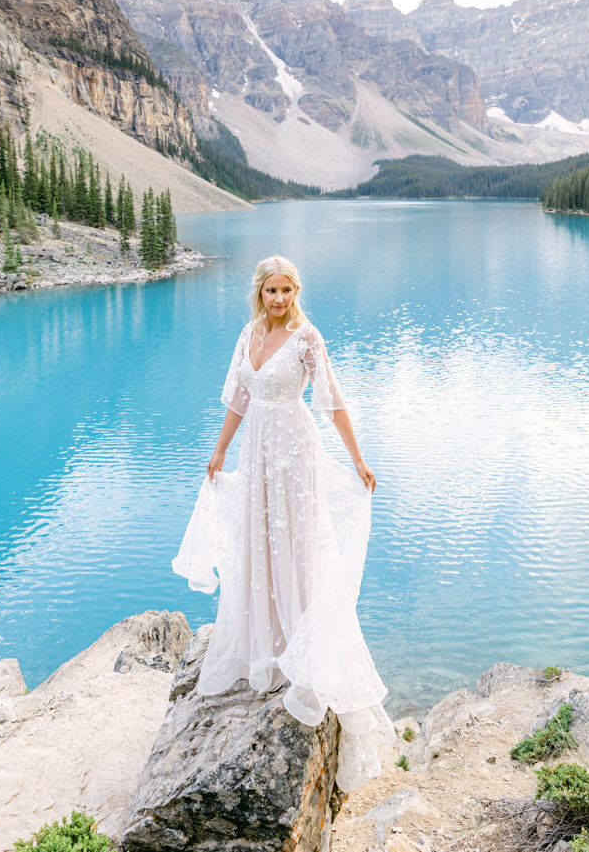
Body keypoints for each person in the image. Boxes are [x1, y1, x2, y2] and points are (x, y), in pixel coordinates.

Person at [173, 255, 393, 792]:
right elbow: (239, 399)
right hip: (257, 452)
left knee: (296, 546)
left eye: (286, 290)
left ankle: (304, 648)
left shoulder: (307, 338)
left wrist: (358, 458)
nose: (278, 299)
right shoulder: (248, 334)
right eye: (271, 291)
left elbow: (333, 404)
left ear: (296, 291)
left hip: (296, 453)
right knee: (257, 543)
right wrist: (219, 451)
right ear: (259, 292)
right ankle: (265, 645)